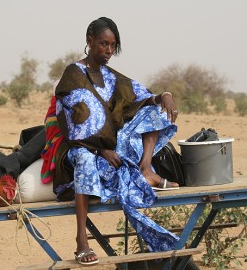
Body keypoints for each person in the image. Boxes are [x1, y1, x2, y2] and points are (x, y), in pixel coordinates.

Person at [55, 17, 180, 266]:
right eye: (104, 44)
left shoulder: (111, 76)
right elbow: (76, 122)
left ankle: (145, 169)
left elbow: (139, 94)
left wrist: (163, 96)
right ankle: (81, 241)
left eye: (113, 46)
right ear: (89, 41)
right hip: (82, 147)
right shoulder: (74, 73)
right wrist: (102, 150)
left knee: (153, 110)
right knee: (84, 160)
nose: (109, 51)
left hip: (111, 145)